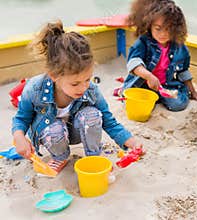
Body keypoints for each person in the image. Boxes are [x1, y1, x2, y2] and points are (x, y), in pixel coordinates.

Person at [12, 20, 142, 173]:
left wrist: (130, 142)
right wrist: (19, 137)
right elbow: (21, 119)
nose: (83, 87)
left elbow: (109, 121)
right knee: (55, 129)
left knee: (92, 114)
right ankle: (60, 157)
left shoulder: (90, 90)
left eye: (87, 79)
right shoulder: (34, 89)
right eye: (75, 84)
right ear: (54, 76)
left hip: (76, 131)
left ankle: (93, 156)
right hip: (50, 134)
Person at [121, 0, 197, 111]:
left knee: (178, 105)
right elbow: (134, 64)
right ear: (149, 26)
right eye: (158, 28)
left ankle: (160, 97)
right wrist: (149, 76)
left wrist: (193, 92)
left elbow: (183, 72)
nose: (163, 34)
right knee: (132, 101)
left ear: (176, 29)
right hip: (143, 84)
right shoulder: (143, 42)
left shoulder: (180, 47)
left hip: (167, 85)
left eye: (168, 29)